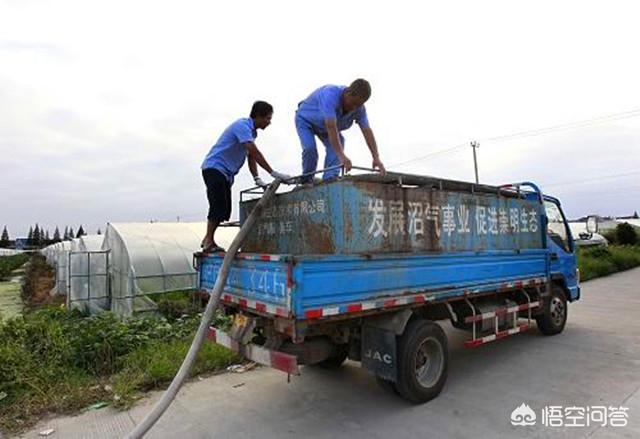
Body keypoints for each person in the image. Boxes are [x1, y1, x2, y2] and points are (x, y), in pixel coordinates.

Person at [200, 101, 290, 252]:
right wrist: (273, 172)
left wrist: (257, 178)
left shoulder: (251, 132)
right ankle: (209, 241)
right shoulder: (242, 126)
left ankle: (208, 239)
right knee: (218, 205)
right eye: (268, 118)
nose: (269, 122)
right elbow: (253, 151)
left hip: (225, 173)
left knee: (224, 209)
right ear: (258, 116)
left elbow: (250, 157)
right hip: (214, 167)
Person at [295, 78, 386, 182]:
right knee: (310, 148)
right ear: (347, 93)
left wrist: (376, 157)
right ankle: (306, 180)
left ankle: (330, 178)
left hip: (324, 127)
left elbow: (367, 131)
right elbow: (331, 127)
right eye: (353, 103)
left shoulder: (359, 109)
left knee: (340, 142)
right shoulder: (330, 94)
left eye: (358, 105)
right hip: (306, 121)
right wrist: (342, 156)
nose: (354, 108)